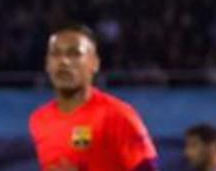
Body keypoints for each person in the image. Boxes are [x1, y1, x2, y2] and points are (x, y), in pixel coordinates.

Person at [29, 24, 159, 171]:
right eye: (55, 54)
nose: (63, 61)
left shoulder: (118, 115)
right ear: (47, 63)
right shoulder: (39, 119)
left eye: (74, 54)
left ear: (94, 63)